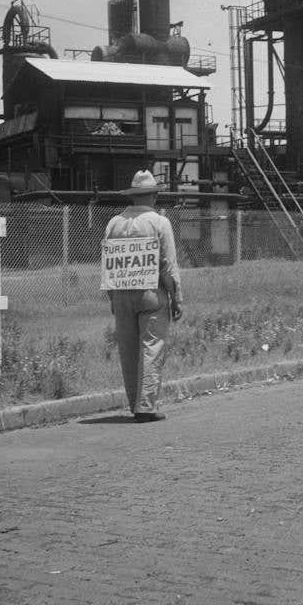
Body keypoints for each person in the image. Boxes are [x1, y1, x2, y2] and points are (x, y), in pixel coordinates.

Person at [101, 170, 183, 422]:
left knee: (128, 350)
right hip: (150, 295)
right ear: (154, 196)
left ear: (133, 196)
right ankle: (146, 407)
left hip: (121, 295)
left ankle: (134, 403)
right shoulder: (159, 222)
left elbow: (107, 262)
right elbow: (168, 265)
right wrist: (176, 297)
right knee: (151, 348)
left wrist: (113, 297)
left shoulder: (114, 223)